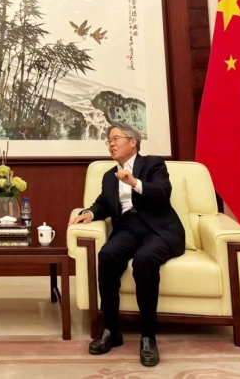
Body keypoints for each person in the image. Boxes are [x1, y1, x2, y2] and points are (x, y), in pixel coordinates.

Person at [69, 122, 185, 367]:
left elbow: (162, 192)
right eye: (108, 140)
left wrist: (134, 183)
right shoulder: (109, 176)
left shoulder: (153, 164)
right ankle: (111, 330)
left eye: (116, 138)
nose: (111, 144)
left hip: (158, 229)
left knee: (144, 260)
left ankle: (148, 336)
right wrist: (90, 213)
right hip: (127, 228)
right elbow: (103, 203)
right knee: (107, 255)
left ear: (133, 142)